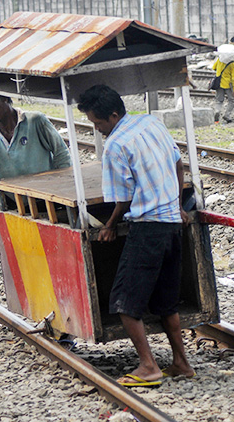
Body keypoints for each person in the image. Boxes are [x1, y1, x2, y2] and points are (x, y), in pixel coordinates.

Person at [77, 84, 194, 387]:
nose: (97, 129)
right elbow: (178, 163)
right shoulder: (151, 122)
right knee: (166, 302)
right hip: (171, 225)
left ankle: (148, 366)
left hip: (148, 227)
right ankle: (181, 363)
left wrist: (110, 225)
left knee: (124, 302)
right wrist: (177, 205)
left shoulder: (116, 145)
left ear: (113, 116)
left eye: (98, 123)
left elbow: (123, 199)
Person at [0, 94, 71, 335]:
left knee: (49, 265)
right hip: (10, 207)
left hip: (44, 205)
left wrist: (61, 193)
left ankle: (64, 329)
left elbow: (62, 155)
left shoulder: (35, 121)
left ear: (6, 100)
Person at [212, 49, 234, 123]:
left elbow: (214, 68)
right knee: (232, 100)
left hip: (219, 84)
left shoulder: (219, 60)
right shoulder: (232, 64)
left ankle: (217, 111)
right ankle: (227, 115)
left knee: (219, 101)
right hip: (228, 85)